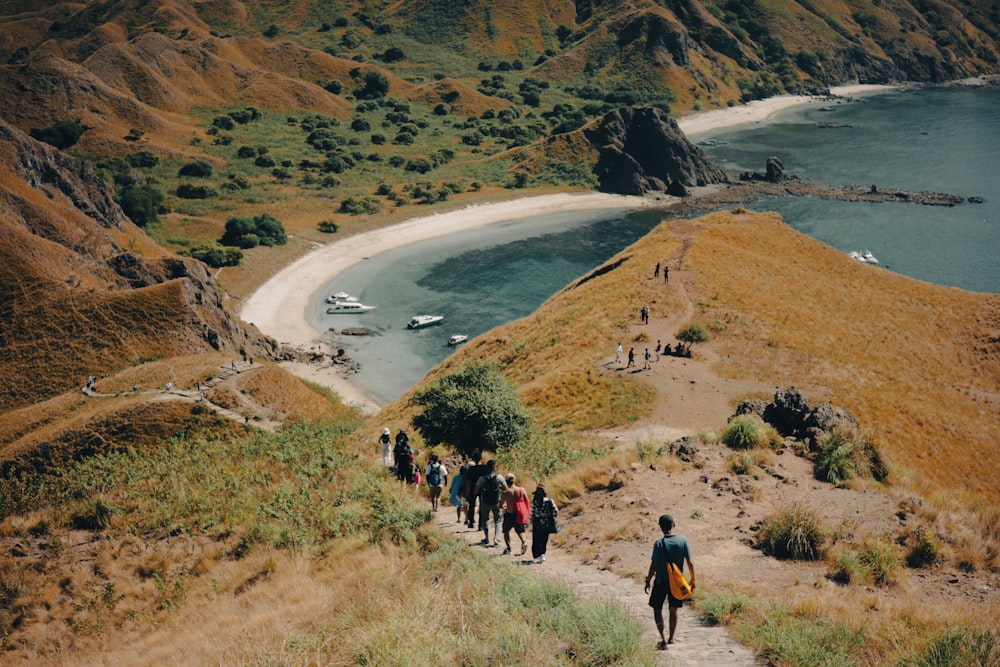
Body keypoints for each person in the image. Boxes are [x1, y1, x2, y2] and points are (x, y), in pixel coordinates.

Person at [644, 514, 695, 650]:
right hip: (677, 583)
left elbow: (653, 565)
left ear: (661, 527)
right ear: (673, 525)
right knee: (673, 610)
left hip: (661, 582)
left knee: (657, 610)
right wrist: (692, 579)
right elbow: (690, 562)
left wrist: (648, 580)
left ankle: (662, 639)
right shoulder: (683, 541)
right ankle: (671, 638)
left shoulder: (659, 544)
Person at [474, 460, 507, 546]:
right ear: (494, 467)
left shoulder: (482, 478)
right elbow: (506, 489)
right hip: (496, 501)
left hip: (485, 501)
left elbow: (475, 491)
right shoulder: (499, 477)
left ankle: (487, 538)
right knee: (498, 520)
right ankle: (496, 538)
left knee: (485, 520)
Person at [500, 474, 530, 556]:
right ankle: (524, 542)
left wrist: (504, 506)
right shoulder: (521, 490)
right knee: (520, 530)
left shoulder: (505, 492)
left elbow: (500, 505)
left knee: (506, 531)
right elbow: (527, 501)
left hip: (510, 514)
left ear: (506, 481)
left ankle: (509, 548)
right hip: (519, 513)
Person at [529, 484, 558, 563]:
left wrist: (529, 522)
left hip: (537, 522)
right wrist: (551, 517)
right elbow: (556, 511)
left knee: (536, 539)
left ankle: (537, 555)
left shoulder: (535, 502)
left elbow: (531, 514)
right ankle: (542, 554)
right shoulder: (550, 501)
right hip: (547, 522)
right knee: (544, 539)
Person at [462, 452, 485, 528]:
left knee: (471, 505)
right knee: (482, 506)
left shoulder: (471, 469)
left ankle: (471, 522)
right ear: (481, 458)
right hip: (482, 489)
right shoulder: (484, 468)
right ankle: (481, 524)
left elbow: (468, 481)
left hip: (472, 489)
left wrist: (467, 492)